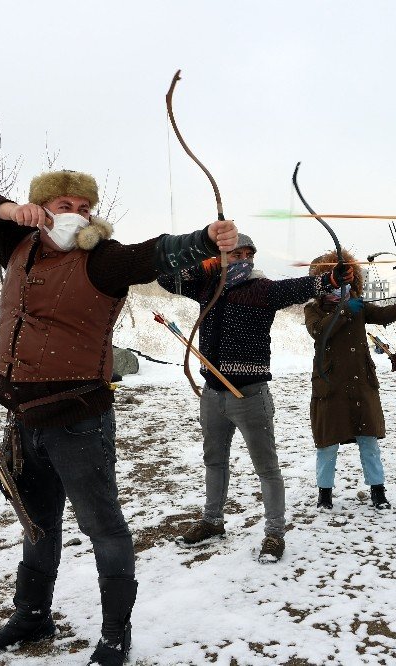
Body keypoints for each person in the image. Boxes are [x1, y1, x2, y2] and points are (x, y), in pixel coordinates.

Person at [0, 170, 237, 665]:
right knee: (38, 524)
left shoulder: (101, 259)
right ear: (39, 208)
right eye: (63, 203)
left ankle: (114, 634)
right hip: (22, 418)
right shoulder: (18, 246)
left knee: (103, 527)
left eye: (84, 207)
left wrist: (203, 240)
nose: (75, 213)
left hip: (78, 419)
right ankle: (33, 615)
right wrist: (7, 211)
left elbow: (153, 253)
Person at [157, 234, 351, 562]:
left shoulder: (260, 289)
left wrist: (329, 278)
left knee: (267, 468)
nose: (243, 259)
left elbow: (294, 288)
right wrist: (202, 264)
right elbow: (167, 279)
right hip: (213, 393)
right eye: (235, 254)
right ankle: (212, 521)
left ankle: (274, 533)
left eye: (248, 254)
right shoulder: (208, 286)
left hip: (250, 395)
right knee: (214, 461)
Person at [304, 250, 396, 511]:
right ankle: (325, 494)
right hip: (330, 385)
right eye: (336, 280)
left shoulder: (357, 303)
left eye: (347, 280)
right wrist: (343, 312)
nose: (343, 286)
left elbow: (384, 316)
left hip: (361, 382)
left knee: (369, 440)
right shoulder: (314, 309)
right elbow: (319, 331)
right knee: (327, 444)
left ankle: (378, 491)